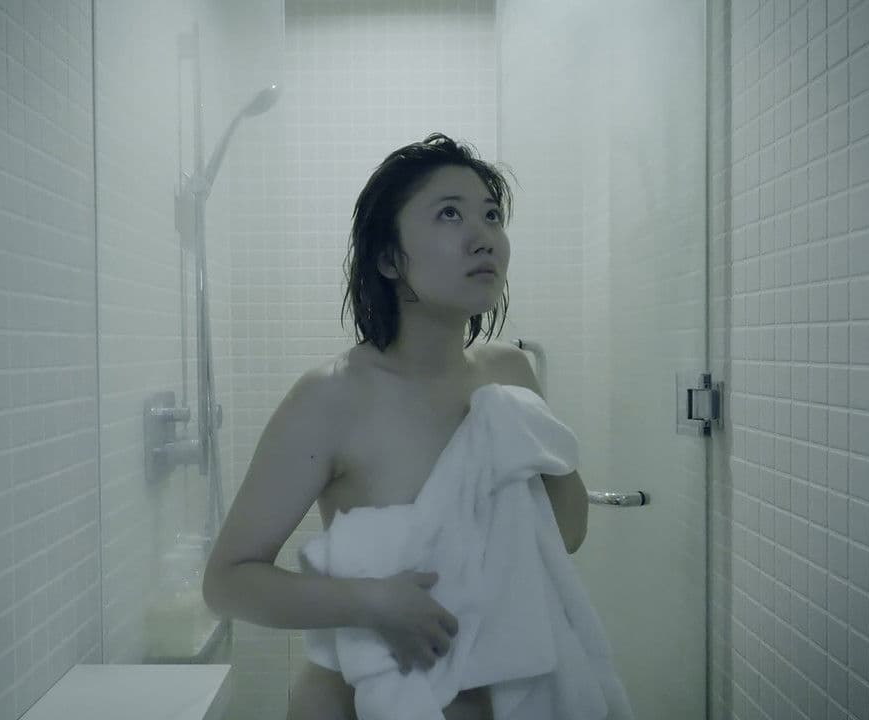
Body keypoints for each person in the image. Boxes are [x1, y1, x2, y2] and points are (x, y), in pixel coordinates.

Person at [201, 133, 590, 720]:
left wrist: (533, 440)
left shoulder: (509, 376)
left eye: (491, 215)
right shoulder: (331, 397)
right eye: (450, 214)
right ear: (388, 258)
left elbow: (565, 533)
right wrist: (372, 603)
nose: (484, 236)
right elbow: (228, 582)